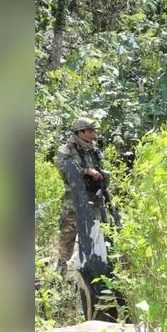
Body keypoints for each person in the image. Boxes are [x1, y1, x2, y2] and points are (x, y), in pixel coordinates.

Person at [55, 118, 106, 275]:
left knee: (96, 234)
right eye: (91, 131)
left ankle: (93, 273)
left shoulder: (94, 149)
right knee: (68, 236)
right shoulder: (66, 150)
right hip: (74, 199)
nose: (94, 134)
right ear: (81, 132)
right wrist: (86, 171)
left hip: (94, 198)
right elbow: (65, 173)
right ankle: (60, 274)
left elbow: (101, 170)